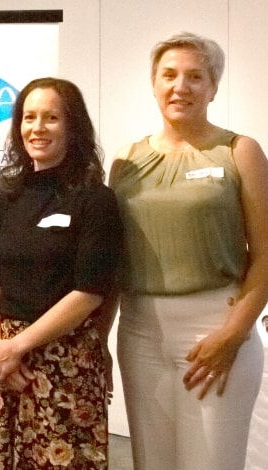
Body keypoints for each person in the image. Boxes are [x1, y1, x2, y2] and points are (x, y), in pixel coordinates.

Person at [110, 31, 268, 470]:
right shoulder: (126, 159)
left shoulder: (241, 151)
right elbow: (111, 259)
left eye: (195, 76)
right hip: (139, 331)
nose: (181, 87)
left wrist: (233, 334)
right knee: (151, 461)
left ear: (213, 87)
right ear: (154, 83)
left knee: (211, 463)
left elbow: (266, 252)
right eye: (170, 75)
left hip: (214, 328)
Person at [0, 77, 123, 469]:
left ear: (73, 127)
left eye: (51, 118)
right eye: (29, 117)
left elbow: (90, 292)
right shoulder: (6, 197)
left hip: (66, 363)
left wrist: (17, 347)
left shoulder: (95, 198)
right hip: (6, 366)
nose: (37, 128)